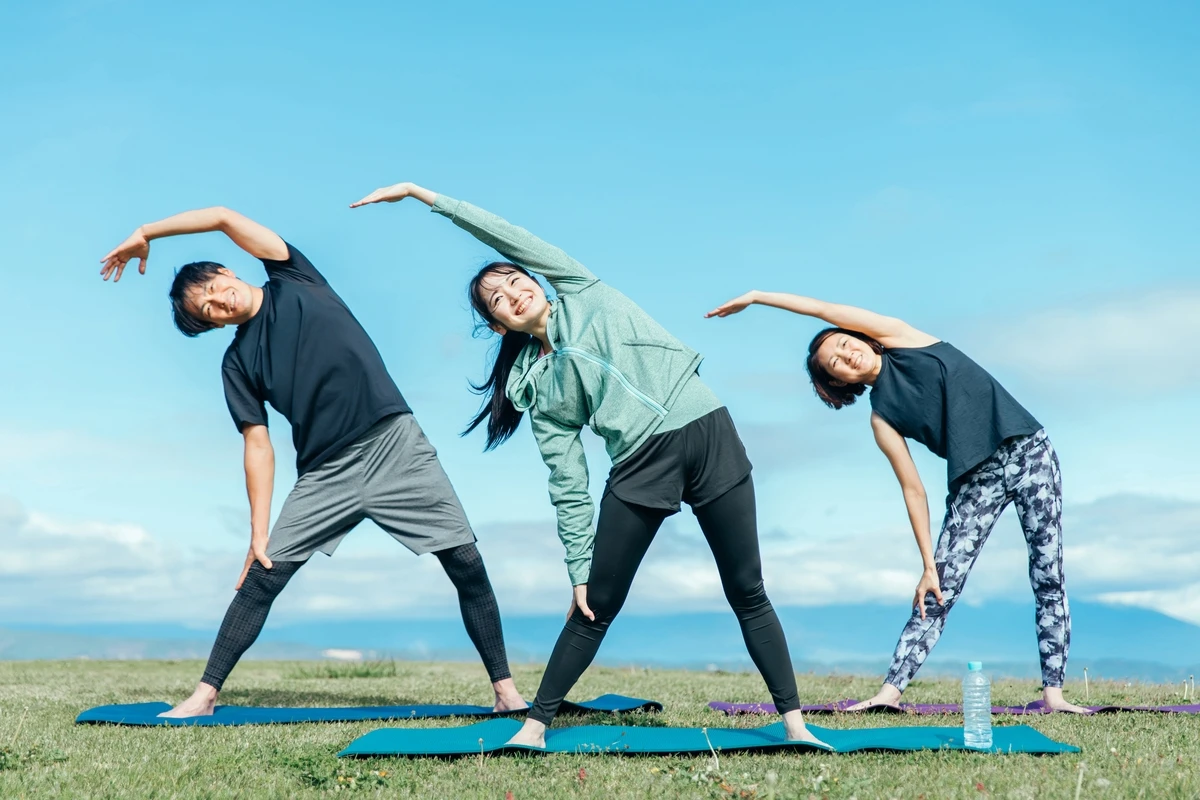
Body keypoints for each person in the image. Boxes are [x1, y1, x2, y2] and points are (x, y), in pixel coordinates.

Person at [350, 182, 828, 747]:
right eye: (498, 299)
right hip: (641, 461)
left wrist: (425, 196)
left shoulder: (583, 293)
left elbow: (512, 238)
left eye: (514, 280)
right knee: (594, 601)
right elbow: (567, 482)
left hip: (709, 431)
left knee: (747, 588)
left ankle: (795, 725)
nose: (513, 291)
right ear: (499, 325)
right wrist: (579, 565)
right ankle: (534, 726)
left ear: (536, 280)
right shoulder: (538, 389)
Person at [99, 206, 525, 716]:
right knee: (263, 575)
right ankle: (205, 695)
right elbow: (257, 444)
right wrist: (257, 532)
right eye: (206, 311)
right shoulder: (237, 362)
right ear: (212, 326)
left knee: (465, 563)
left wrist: (146, 232)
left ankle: (505, 693)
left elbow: (220, 217)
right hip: (325, 473)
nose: (216, 302)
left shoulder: (292, 277)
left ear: (225, 272)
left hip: (395, 444)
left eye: (211, 289)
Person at [706, 290, 1088, 714]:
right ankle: (890, 692)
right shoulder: (881, 417)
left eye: (845, 343)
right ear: (839, 382)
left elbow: (821, 309)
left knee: (1048, 572)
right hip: (975, 479)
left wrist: (759, 297)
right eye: (835, 362)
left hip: (1029, 451)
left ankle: (1054, 693)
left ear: (863, 338)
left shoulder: (903, 338)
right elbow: (913, 490)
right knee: (938, 588)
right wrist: (927, 564)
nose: (847, 355)